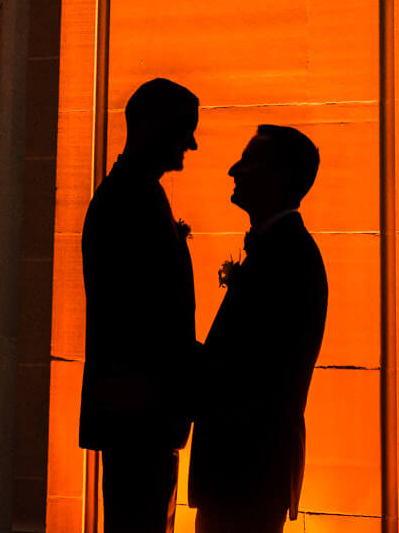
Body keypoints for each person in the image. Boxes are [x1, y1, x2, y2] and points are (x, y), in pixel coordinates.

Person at [188, 125, 327, 533]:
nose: (234, 169)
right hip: (245, 472)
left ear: (278, 176)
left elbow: (249, 371)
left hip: (247, 469)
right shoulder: (280, 250)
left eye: (248, 161)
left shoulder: (288, 258)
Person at [81, 77, 202, 533]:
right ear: (155, 126)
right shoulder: (127, 201)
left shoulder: (138, 194)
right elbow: (142, 319)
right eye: (184, 129)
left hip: (144, 414)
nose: (191, 142)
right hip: (138, 413)